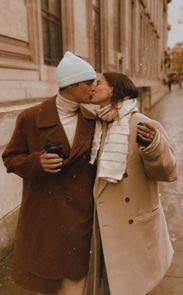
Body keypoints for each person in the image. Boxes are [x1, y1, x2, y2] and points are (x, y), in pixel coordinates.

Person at [2, 51, 97, 295]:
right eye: (89, 82)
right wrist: (37, 163)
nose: (94, 88)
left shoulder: (93, 119)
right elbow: (10, 159)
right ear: (72, 84)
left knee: (77, 279)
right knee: (48, 282)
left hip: (81, 215)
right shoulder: (30, 117)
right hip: (46, 214)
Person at [89, 72, 177, 295]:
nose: (92, 86)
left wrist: (153, 147)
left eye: (98, 82)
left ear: (114, 90)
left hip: (132, 222)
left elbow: (168, 171)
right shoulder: (98, 123)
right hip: (103, 221)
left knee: (125, 284)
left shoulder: (142, 123)